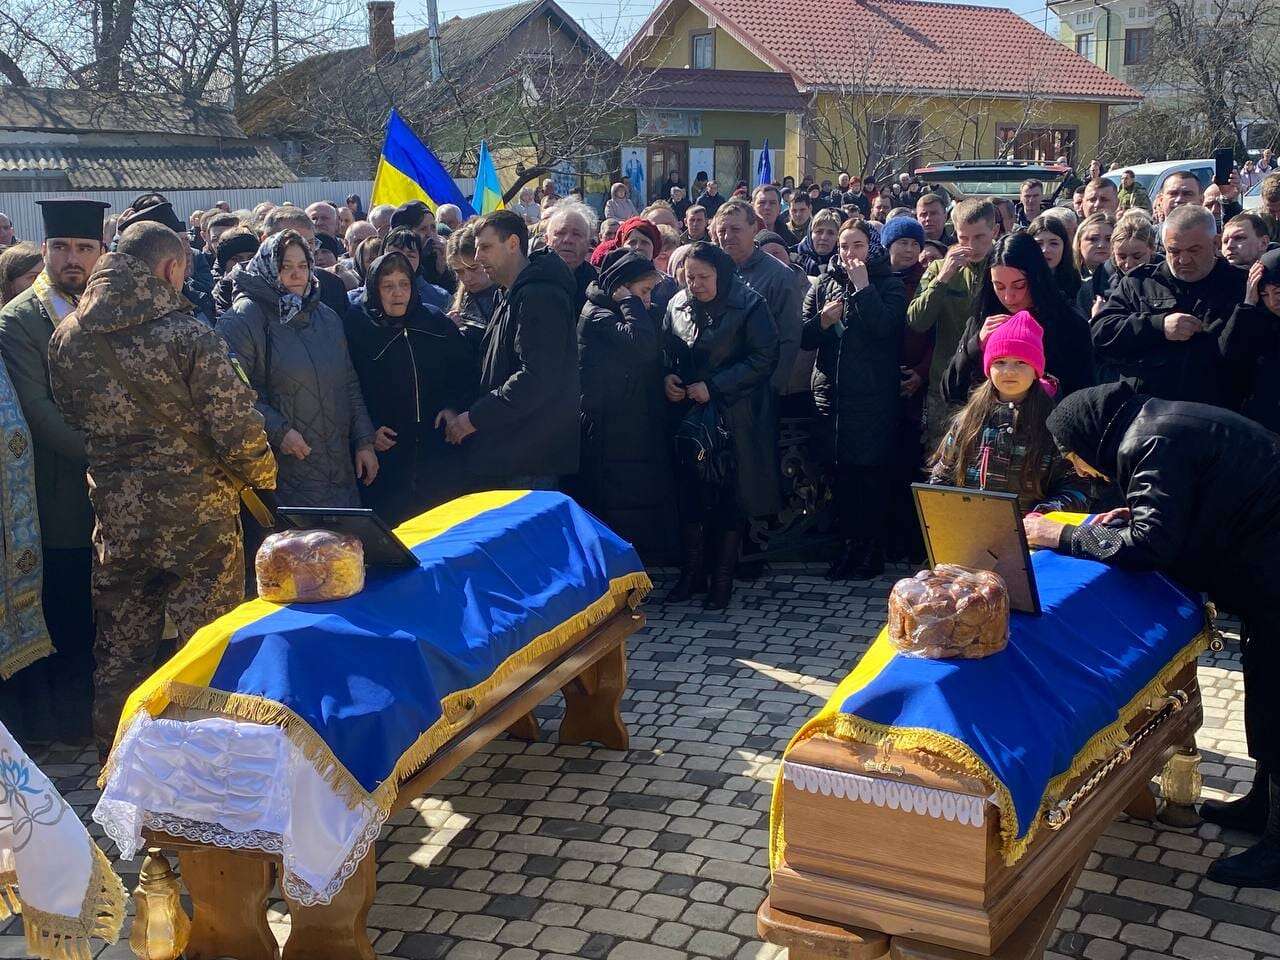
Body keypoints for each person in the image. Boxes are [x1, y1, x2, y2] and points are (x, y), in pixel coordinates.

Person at [1026, 381, 1280, 887]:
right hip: (1265, 573)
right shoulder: (1156, 425)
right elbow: (1182, 515)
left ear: (1088, 435)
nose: (1081, 470)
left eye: (1073, 457)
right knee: (1267, 690)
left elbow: (1151, 547)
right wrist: (1122, 524)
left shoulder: (1151, 441)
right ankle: (1262, 807)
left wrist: (1060, 533)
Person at [48, 222, 277, 757]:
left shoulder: (69, 335)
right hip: (199, 519)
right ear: (171, 268)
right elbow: (237, 428)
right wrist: (263, 478)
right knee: (207, 646)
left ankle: (117, 764)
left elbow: (73, 414)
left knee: (120, 651)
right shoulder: (188, 334)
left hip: (117, 518)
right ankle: (209, 765)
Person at [0, 198, 107, 742]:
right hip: (60, 495)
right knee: (68, 609)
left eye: (84, 248)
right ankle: (70, 728)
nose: (72, 258)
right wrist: (114, 454)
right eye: (61, 247)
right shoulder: (20, 320)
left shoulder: (110, 305)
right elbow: (38, 414)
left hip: (120, 494)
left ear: (101, 252)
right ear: (43, 250)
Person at [217, 230, 378, 508]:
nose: (296, 274)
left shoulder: (326, 317)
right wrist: (279, 432)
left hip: (337, 468)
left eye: (303, 266)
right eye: (285, 266)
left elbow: (348, 383)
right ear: (268, 267)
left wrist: (364, 441)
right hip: (282, 469)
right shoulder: (244, 319)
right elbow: (231, 393)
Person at [663, 242, 780, 609]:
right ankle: (692, 574)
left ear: (721, 275)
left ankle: (722, 580)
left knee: (729, 498)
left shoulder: (750, 304)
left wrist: (714, 387)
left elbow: (765, 357)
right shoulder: (677, 304)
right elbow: (666, 349)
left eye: (703, 277)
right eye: (689, 277)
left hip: (734, 416)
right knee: (690, 496)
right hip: (688, 417)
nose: (695, 284)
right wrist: (667, 377)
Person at [802, 219, 907, 579]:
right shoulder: (824, 282)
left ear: (872, 247)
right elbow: (804, 336)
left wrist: (863, 288)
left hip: (871, 399)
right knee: (841, 477)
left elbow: (886, 328)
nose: (849, 253)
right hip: (832, 397)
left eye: (857, 245)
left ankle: (870, 551)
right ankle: (846, 548)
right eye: (844, 246)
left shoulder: (889, 284)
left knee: (869, 477)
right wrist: (821, 321)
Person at [448, 210, 579, 490]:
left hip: (529, 458)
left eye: (485, 247)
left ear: (512, 243)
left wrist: (475, 418)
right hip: (509, 452)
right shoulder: (510, 292)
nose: (478, 257)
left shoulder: (539, 295)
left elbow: (536, 377)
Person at [344, 252, 477, 524]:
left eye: (404, 284)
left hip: (437, 452)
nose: (398, 293)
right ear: (374, 289)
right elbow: (345, 387)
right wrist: (366, 431)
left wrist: (453, 407)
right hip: (386, 453)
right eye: (388, 286)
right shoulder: (357, 327)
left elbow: (466, 373)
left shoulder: (434, 321)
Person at [575, 248, 676, 562]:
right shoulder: (599, 315)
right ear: (621, 287)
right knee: (618, 505)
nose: (648, 300)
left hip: (630, 423)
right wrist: (630, 302)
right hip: (611, 427)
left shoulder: (617, 310)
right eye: (643, 292)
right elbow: (642, 346)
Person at [931, 312, 1087, 515]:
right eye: (1000, 362)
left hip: (1030, 532)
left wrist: (1042, 515)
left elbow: (1076, 489)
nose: (1009, 371)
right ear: (988, 368)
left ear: (1036, 370)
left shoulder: (1054, 426)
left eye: (1021, 362)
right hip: (971, 527)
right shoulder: (967, 420)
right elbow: (941, 479)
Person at [1092, 204, 1245, 406]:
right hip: (1148, 409)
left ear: (1216, 243)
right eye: (1174, 251)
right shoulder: (1139, 283)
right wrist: (1158, 325)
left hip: (1219, 410)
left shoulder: (1241, 284)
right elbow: (1101, 332)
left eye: (1194, 250)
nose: (1184, 259)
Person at [942, 231, 1094, 404]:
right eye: (999, 286)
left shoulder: (1069, 323)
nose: (1008, 297)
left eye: (1019, 285)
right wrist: (975, 346)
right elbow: (950, 392)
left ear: (1037, 279)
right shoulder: (985, 319)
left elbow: (1082, 395)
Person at [908, 198, 998, 450]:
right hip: (946, 383)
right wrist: (943, 277)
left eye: (980, 237)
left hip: (992, 384)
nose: (972, 246)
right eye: (963, 238)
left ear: (994, 231)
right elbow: (917, 321)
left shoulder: (1004, 268)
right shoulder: (939, 268)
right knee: (940, 457)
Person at [713, 199, 804, 396]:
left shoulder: (779, 276)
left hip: (758, 391)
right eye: (722, 231)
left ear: (754, 228)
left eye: (735, 229)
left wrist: (772, 389)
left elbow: (789, 337)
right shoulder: (711, 271)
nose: (727, 236)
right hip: (716, 387)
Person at [1224, 247, 1280, 433]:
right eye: (1264, 294)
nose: (1273, 302)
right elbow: (1230, 356)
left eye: (1278, 292)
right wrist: (1249, 303)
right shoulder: (1261, 325)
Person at [446, 223, 500, 351]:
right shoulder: (459, 300)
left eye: (473, 268)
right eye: (459, 271)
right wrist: (446, 329)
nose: (467, 278)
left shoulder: (506, 295)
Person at [544, 199, 599, 312]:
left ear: (589, 243)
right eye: (560, 233)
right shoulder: (528, 278)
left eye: (577, 234)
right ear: (546, 239)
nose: (568, 240)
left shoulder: (598, 284)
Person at [390, 201, 456, 294]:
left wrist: (444, 269)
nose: (430, 234)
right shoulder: (393, 263)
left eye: (433, 227)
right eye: (423, 229)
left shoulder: (439, 258)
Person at [1028, 214, 1082, 301]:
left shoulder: (1076, 281)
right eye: (1039, 244)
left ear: (1064, 247)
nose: (1045, 250)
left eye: (1054, 243)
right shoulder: (1021, 281)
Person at [1073, 212, 1116, 317]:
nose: (1101, 245)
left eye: (1109, 239)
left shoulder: (1126, 282)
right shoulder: (1068, 280)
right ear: (1079, 243)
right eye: (1093, 239)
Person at [794, 209, 841, 277]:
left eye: (831, 233)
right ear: (810, 233)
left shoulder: (844, 265)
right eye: (819, 231)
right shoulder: (791, 258)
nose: (824, 237)